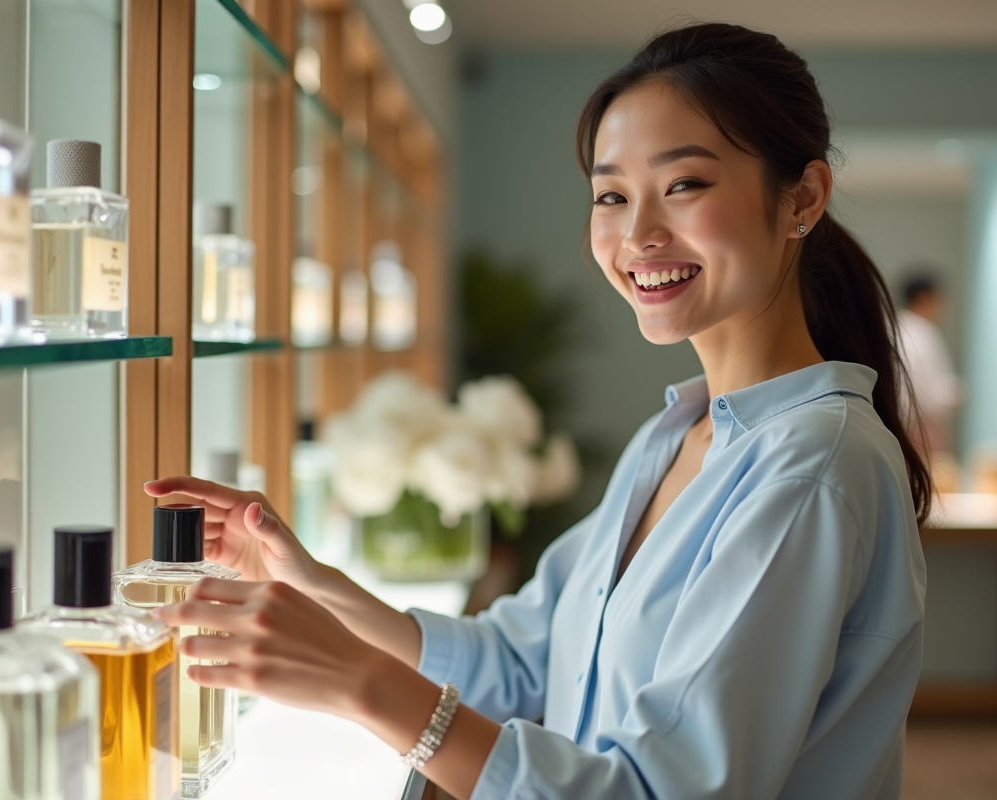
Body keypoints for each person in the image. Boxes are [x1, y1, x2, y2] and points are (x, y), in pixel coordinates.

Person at [146, 22, 930, 800]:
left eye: (685, 185)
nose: (638, 235)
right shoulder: (676, 437)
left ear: (803, 198)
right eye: (611, 196)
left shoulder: (813, 468)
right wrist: (310, 581)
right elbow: (524, 659)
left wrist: (364, 685)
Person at [897, 272, 962, 457]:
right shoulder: (924, 333)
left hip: (899, 425)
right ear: (925, 298)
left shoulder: (894, 327)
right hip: (921, 429)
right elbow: (933, 394)